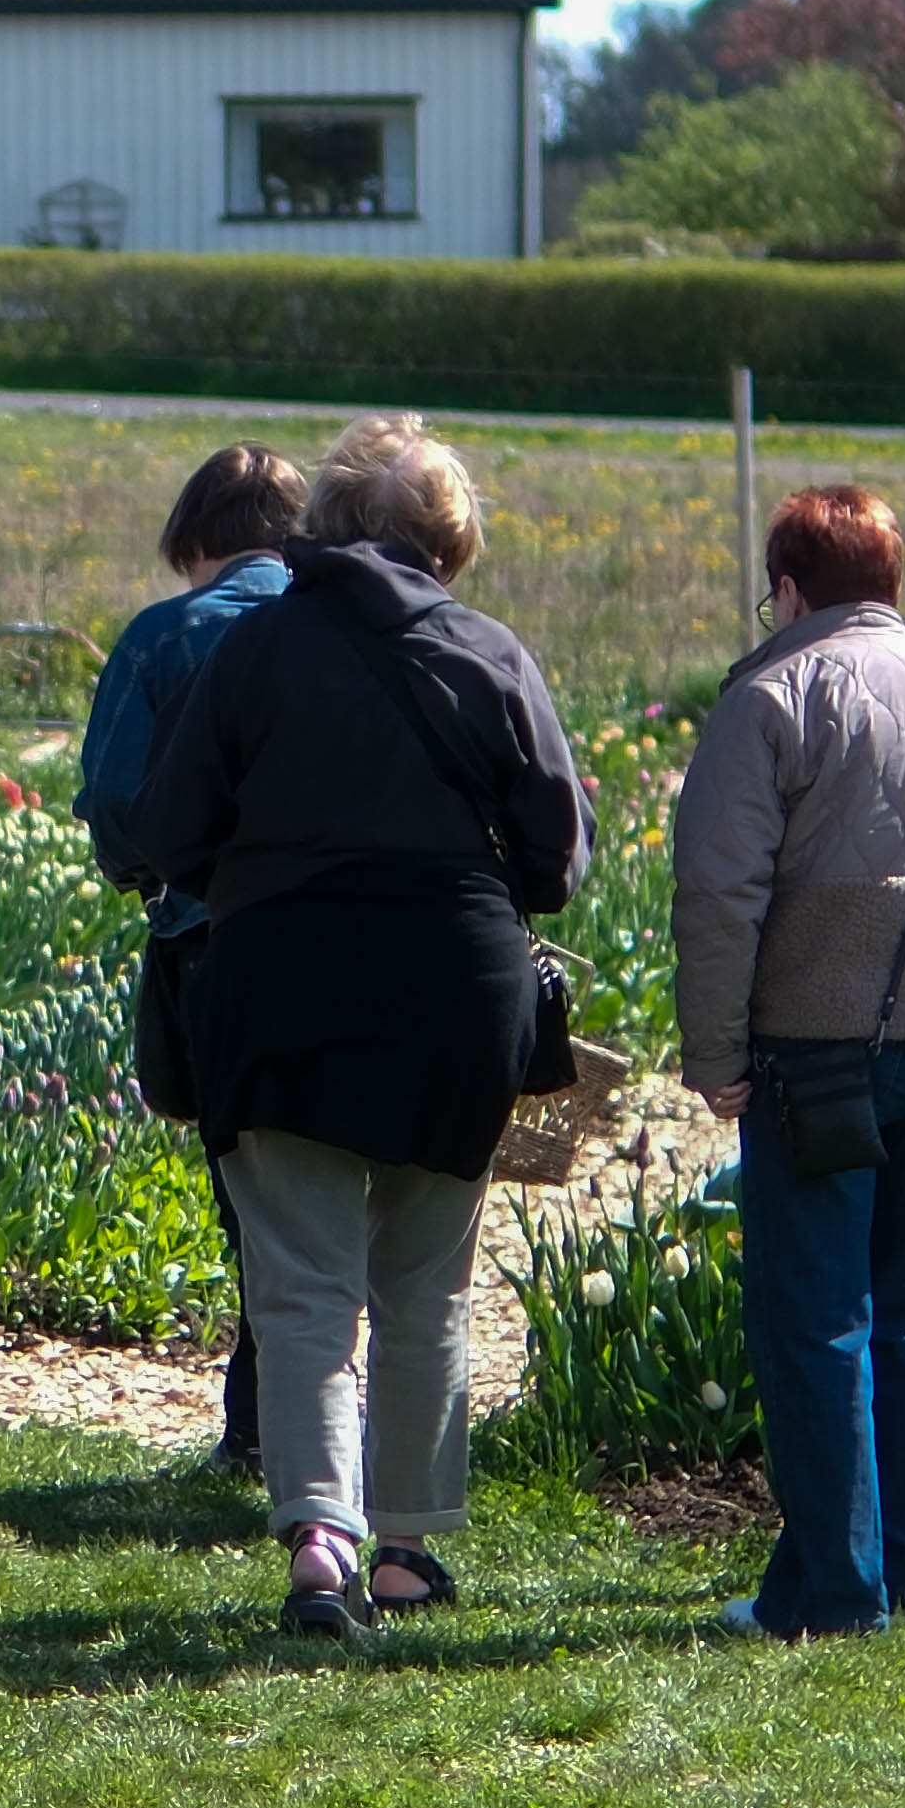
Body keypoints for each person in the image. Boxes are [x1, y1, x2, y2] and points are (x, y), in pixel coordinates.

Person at [136, 416, 588, 1642]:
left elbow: (169, 832)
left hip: (279, 990)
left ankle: (317, 1540)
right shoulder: (490, 654)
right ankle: (405, 1550)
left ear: (320, 529)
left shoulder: (253, 653)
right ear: (447, 539)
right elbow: (554, 862)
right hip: (456, 990)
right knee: (428, 1286)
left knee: (300, 1290)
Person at [666, 483, 905, 1640]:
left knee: (814, 1317)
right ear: (894, 588)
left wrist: (718, 1050)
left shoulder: (774, 694)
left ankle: (834, 1599)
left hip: (817, 1050)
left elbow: (719, 894)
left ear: (787, 591)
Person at [74, 443, 305, 1482]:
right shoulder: (341, 630)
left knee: (251, 1192)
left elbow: (120, 807)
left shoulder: (168, 636)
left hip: (209, 940)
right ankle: (312, 1434)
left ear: (195, 533)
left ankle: (263, 1432)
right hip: (345, 936)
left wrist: (153, 876)